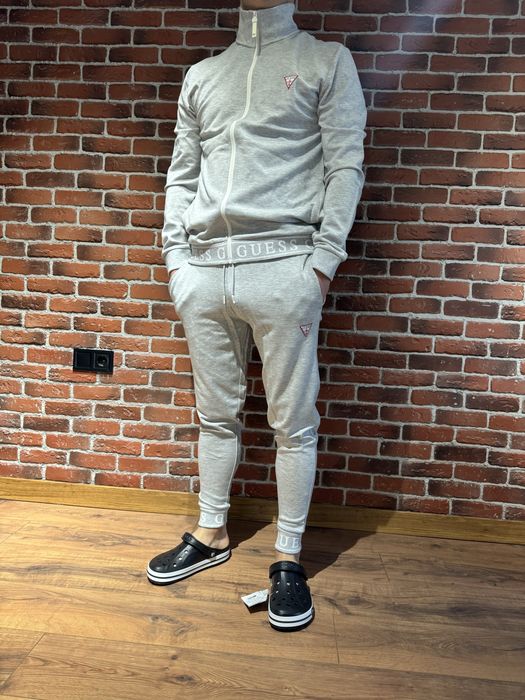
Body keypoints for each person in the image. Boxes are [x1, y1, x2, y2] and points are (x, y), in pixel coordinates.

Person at [146, 0, 367, 632]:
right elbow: (182, 173)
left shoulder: (325, 61)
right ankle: (211, 531)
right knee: (213, 412)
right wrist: (175, 259)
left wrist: (322, 262)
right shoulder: (203, 75)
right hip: (203, 270)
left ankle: (288, 557)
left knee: (292, 421)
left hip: (286, 267)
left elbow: (345, 163)